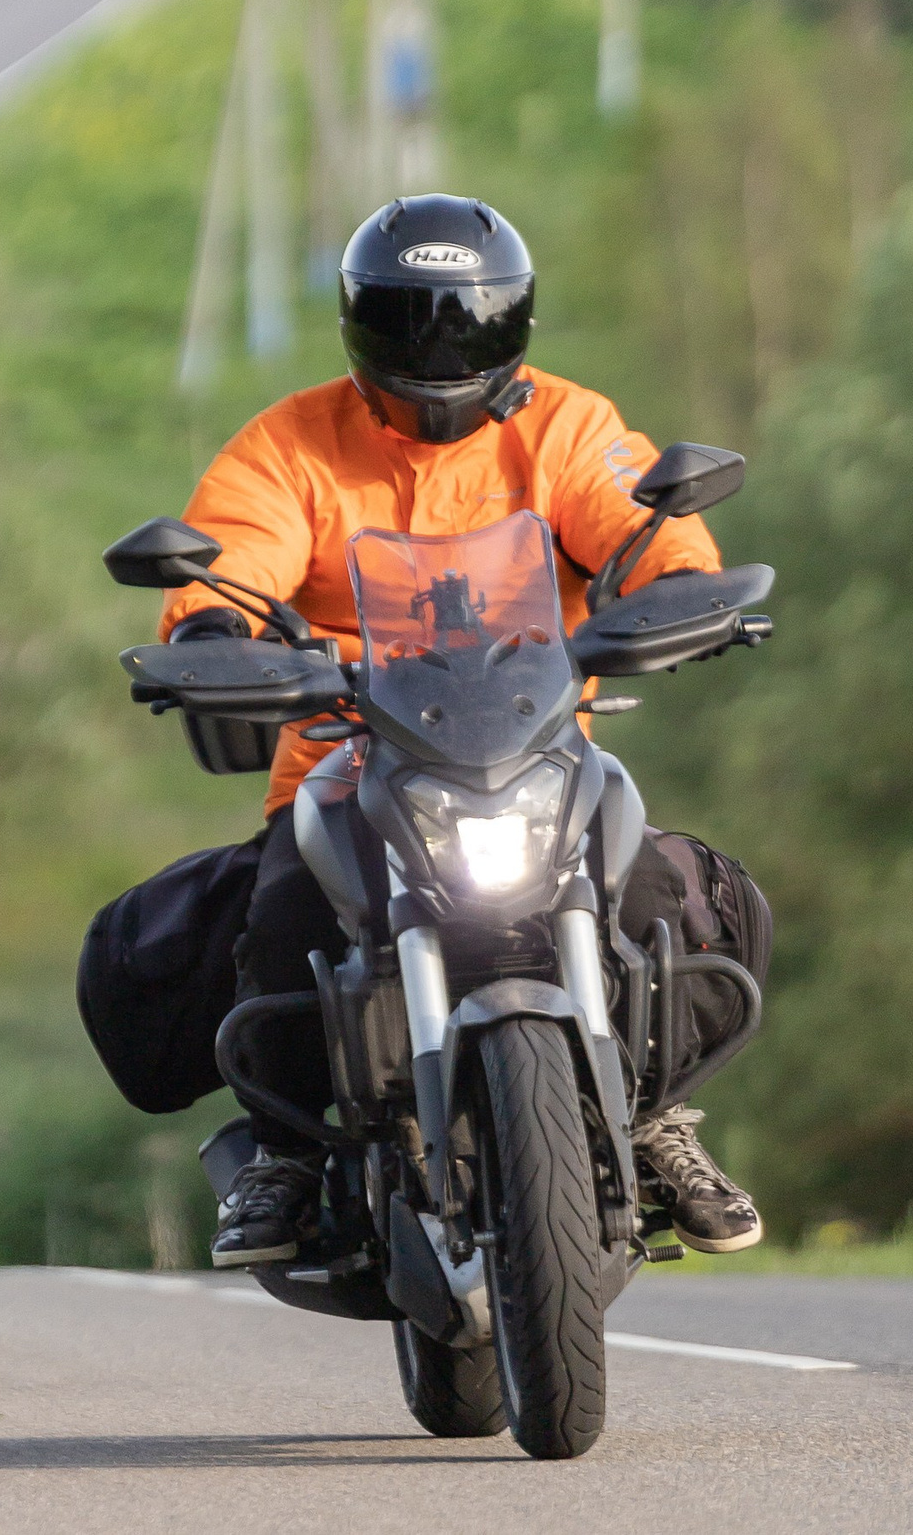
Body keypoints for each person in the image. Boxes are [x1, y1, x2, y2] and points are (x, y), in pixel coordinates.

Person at [167, 195, 765, 1268]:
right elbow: (235, 545)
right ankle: (288, 1154)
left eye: (464, 320)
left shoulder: (567, 426)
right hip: (347, 754)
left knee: (653, 888)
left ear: (512, 320)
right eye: (408, 320)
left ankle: (657, 1121)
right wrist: (211, 627)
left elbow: (636, 516)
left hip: (538, 746)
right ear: (360, 322)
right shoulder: (291, 443)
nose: (437, 349)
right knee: (286, 906)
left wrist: (679, 580)